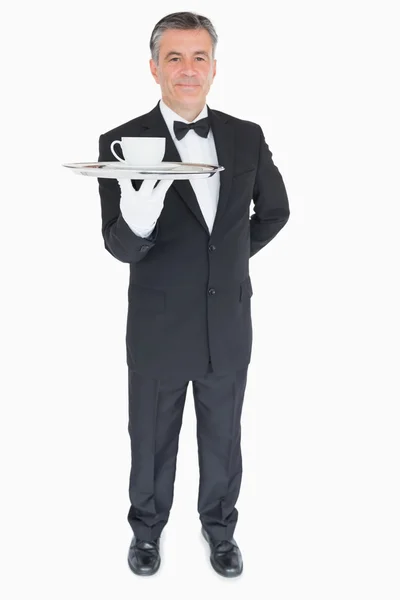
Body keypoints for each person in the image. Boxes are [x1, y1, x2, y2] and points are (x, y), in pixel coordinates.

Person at [97, 11, 290, 578]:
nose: (188, 69)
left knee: (224, 435)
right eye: (174, 57)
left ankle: (221, 529)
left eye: (199, 57)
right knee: (151, 437)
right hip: (157, 326)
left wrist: (224, 262)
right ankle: (146, 532)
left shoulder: (245, 136)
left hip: (226, 321)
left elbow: (275, 213)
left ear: (214, 66)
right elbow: (119, 247)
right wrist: (138, 219)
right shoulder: (118, 141)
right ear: (154, 67)